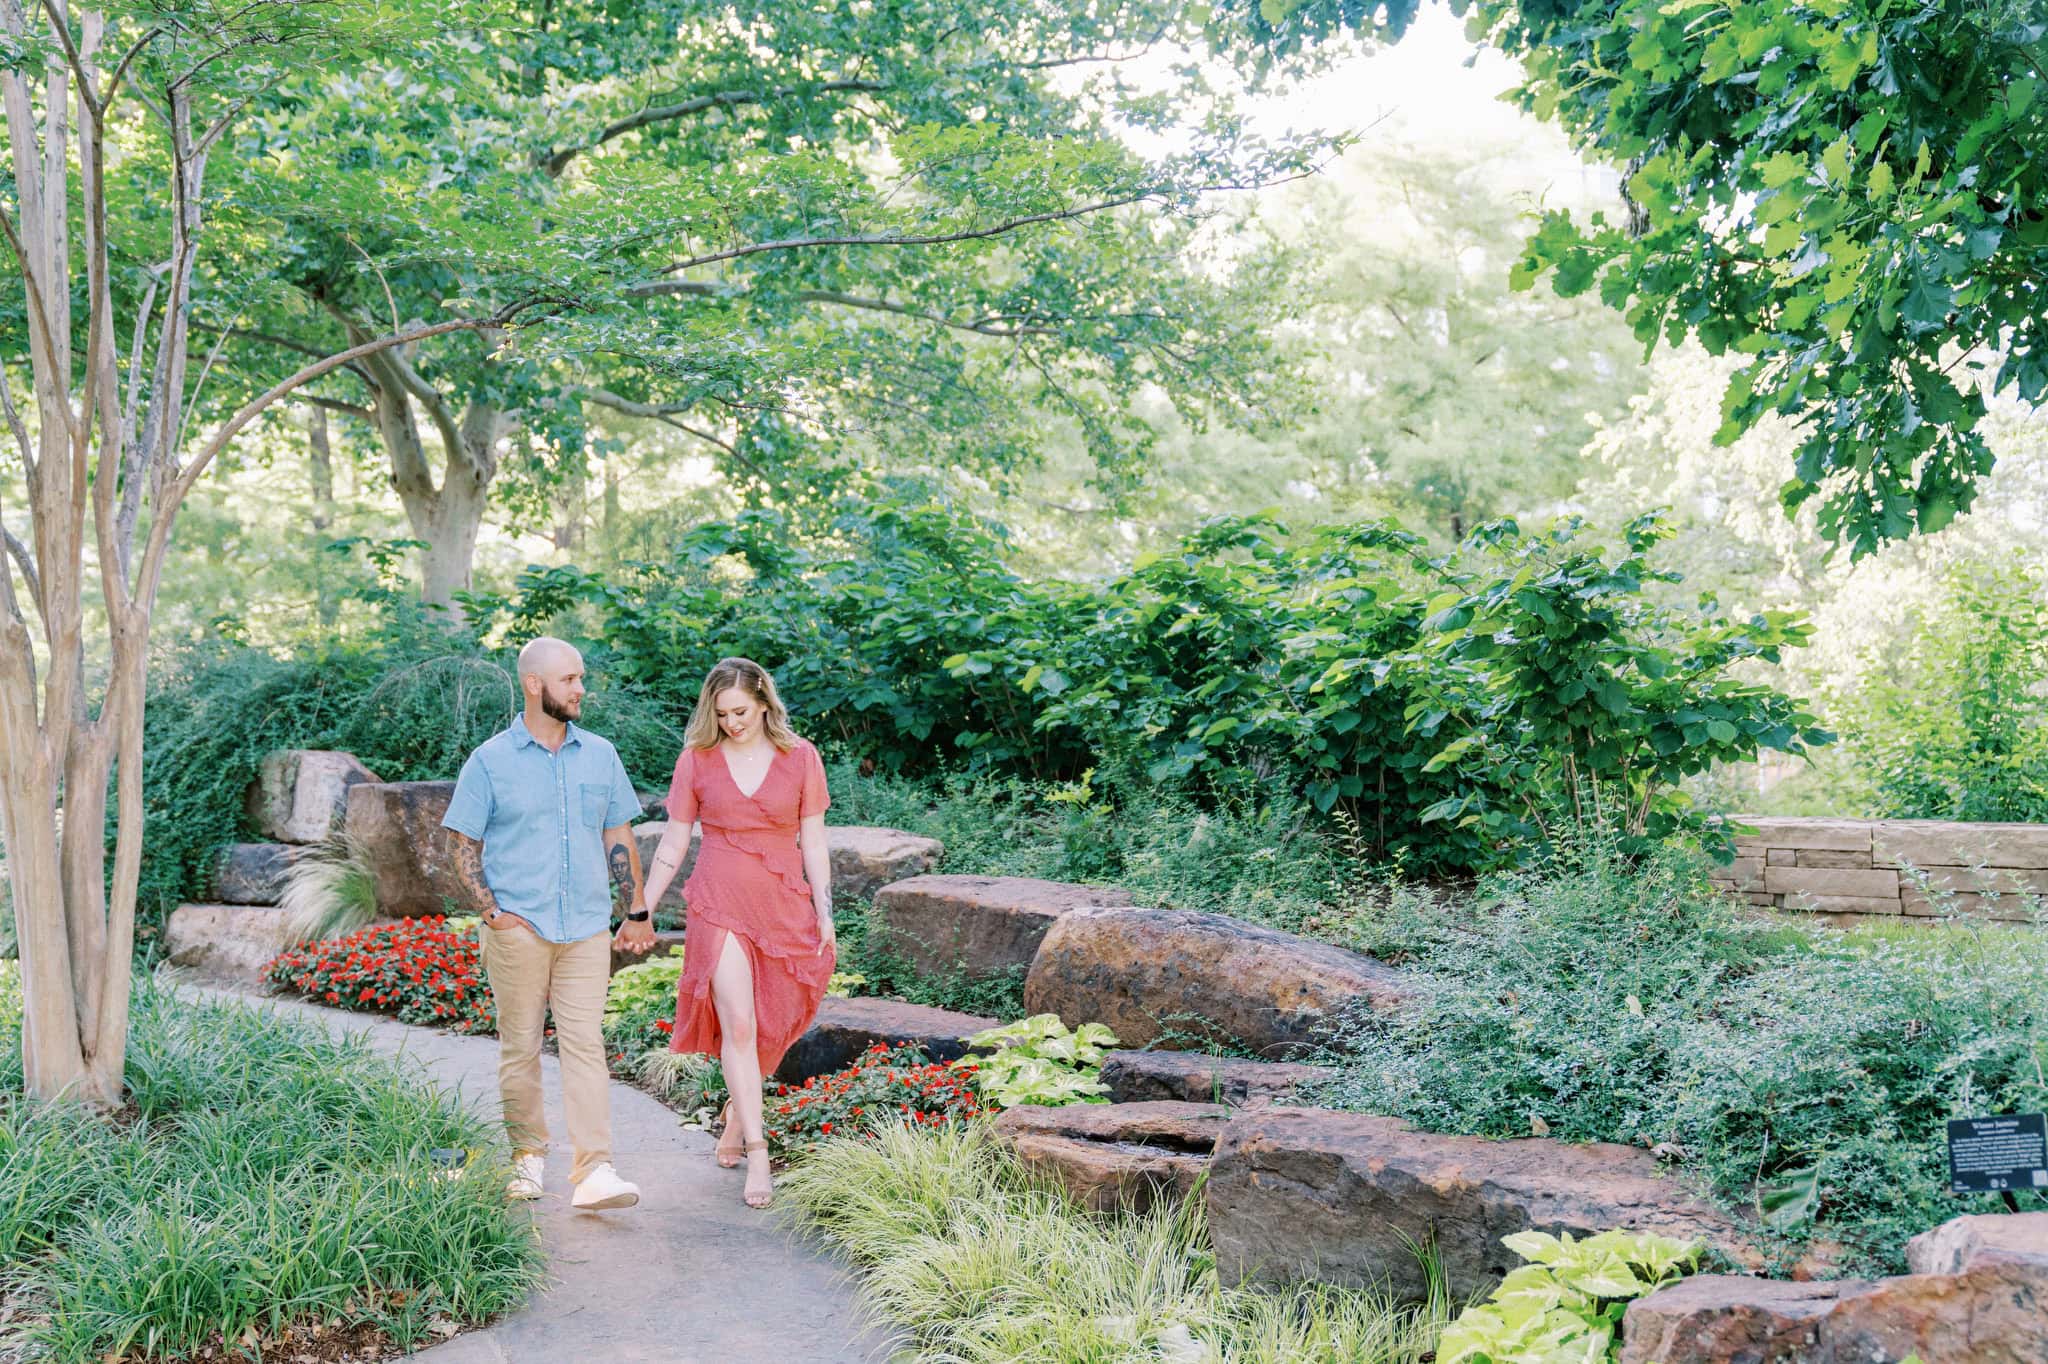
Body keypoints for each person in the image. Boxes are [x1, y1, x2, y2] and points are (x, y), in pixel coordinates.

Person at [442, 636, 659, 1209]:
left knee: (586, 1043)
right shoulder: (490, 760)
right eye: (569, 679)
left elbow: (618, 834)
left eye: (581, 677)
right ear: (535, 684)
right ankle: (528, 1158)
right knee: (520, 1048)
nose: (581, 688)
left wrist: (634, 909)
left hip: (586, 926)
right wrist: (493, 913)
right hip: (521, 929)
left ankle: (595, 1171)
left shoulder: (600, 754)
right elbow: (463, 841)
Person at [639, 657, 836, 1210]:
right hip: (718, 904)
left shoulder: (801, 758)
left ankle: (734, 1116)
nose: (732, 723)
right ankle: (758, 1149)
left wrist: (825, 910)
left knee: (777, 1017)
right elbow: (675, 844)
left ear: (765, 703)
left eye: (741, 711)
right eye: (722, 714)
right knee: (741, 1024)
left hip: (781, 904)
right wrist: (642, 909)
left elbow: (814, 842)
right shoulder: (697, 761)